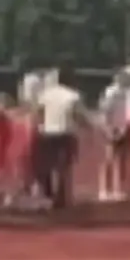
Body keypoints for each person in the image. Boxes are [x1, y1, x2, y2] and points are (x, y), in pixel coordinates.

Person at [33, 64, 96, 211]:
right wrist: (89, 128)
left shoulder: (45, 94)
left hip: (46, 132)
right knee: (64, 167)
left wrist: (39, 127)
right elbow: (79, 115)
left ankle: (47, 195)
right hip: (65, 132)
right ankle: (61, 198)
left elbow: (38, 113)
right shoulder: (73, 96)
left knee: (46, 166)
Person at [97, 67, 130, 202]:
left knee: (121, 159)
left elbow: (129, 111)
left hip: (123, 127)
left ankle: (118, 188)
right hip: (112, 127)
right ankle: (103, 190)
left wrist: (126, 127)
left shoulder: (128, 92)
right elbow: (105, 110)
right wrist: (107, 128)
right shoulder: (111, 91)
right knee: (109, 158)